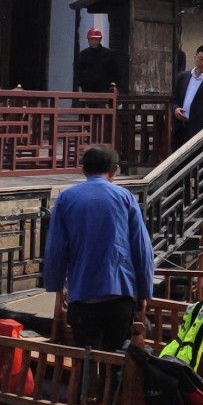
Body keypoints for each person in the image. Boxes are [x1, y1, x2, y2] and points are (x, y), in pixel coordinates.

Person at [42, 144, 154, 352]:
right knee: (115, 354)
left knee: (86, 359)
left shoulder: (66, 198)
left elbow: (56, 247)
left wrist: (57, 285)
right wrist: (145, 291)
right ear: (114, 170)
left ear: (84, 170)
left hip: (83, 293)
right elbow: (141, 248)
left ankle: (88, 384)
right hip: (120, 293)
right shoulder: (125, 197)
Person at [74, 27, 121, 94]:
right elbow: (78, 72)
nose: (93, 42)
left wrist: (114, 85)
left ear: (100, 39)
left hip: (105, 89)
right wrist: (81, 85)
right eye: (91, 39)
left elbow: (115, 71)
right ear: (88, 40)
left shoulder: (109, 54)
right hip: (88, 90)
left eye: (96, 39)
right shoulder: (83, 55)